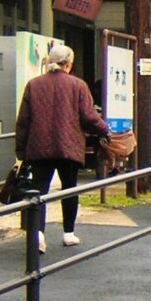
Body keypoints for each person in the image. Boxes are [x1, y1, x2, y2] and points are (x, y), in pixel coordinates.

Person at [15, 44, 110, 252]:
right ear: (68, 64)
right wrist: (106, 130)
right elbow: (88, 116)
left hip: (38, 148)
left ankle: (38, 233)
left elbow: (23, 121)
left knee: (38, 191)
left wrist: (21, 150)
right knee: (69, 188)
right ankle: (68, 233)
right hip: (68, 148)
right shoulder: (78, 85)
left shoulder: (34, 85)